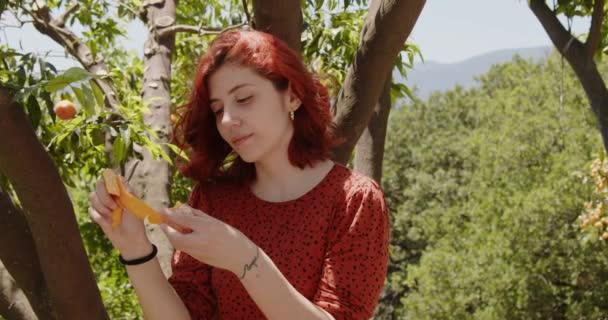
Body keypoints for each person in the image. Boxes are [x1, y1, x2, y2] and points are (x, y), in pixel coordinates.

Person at [89, 29, 390, 320]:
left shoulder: (354, 199)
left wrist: (245, 260)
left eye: (244, 99)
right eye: (218, 110)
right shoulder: (213, 200)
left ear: (293, 96)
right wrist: (135, 248)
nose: (229, 120)